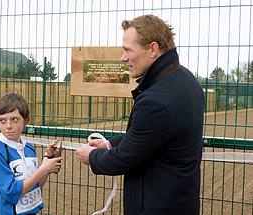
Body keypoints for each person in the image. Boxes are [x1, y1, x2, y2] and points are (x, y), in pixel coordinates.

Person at [75, 14, 204, 215]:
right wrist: (109, 144)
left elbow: (123, 159)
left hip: (157, 206)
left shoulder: (156, 101)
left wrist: (92, 156)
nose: (123, 58)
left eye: (128, 50)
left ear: (152, 49)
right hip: (181, 202)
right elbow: (150, 137)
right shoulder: (186, 80)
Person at [0, 92, 63, 215]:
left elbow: (36, 184)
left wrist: (47, 159)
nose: (8, 126)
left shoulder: (29, 148)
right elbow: (11, 192)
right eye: (2, 120)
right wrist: (43, 169)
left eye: (14, 119)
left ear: (26, 120)